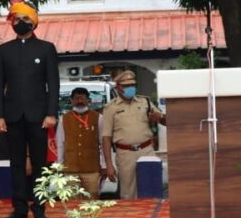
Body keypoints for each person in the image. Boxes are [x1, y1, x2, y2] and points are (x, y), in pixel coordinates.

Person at [0, 0, 59, 218]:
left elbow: (54, 84)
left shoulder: (47, 49)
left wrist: (51, 114)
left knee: (40, 164)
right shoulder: (3, 51)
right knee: (17, 163)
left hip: (39, 116)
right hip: (12, 115)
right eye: (16, 18)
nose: (19, 22)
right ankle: (19, 208)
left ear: (33, 22)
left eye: (24, 18)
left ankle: (39, 208)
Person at [102, 70, 165, 200]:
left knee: (151, 189)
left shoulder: (145, 102)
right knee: (128, 193)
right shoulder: (111, 107)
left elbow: (165, 121)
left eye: (132, 85)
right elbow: (106, 138)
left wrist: (160, 117)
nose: (130, 88)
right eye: (126, 86)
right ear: (118, 87)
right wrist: (108, 164)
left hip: (146, 151)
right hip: (125, 154)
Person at [56, 87, 104, 197]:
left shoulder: (98, 118)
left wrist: (104, 164)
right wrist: (59, 166)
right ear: (72, 101)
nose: (80, 101)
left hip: (91, 168)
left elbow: (103, 142)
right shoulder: (64, 118)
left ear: (88, 100)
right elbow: (60, 143)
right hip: (70, 168)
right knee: (72, 200)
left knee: (92, 199)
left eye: (83, 98)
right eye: (77, 98)